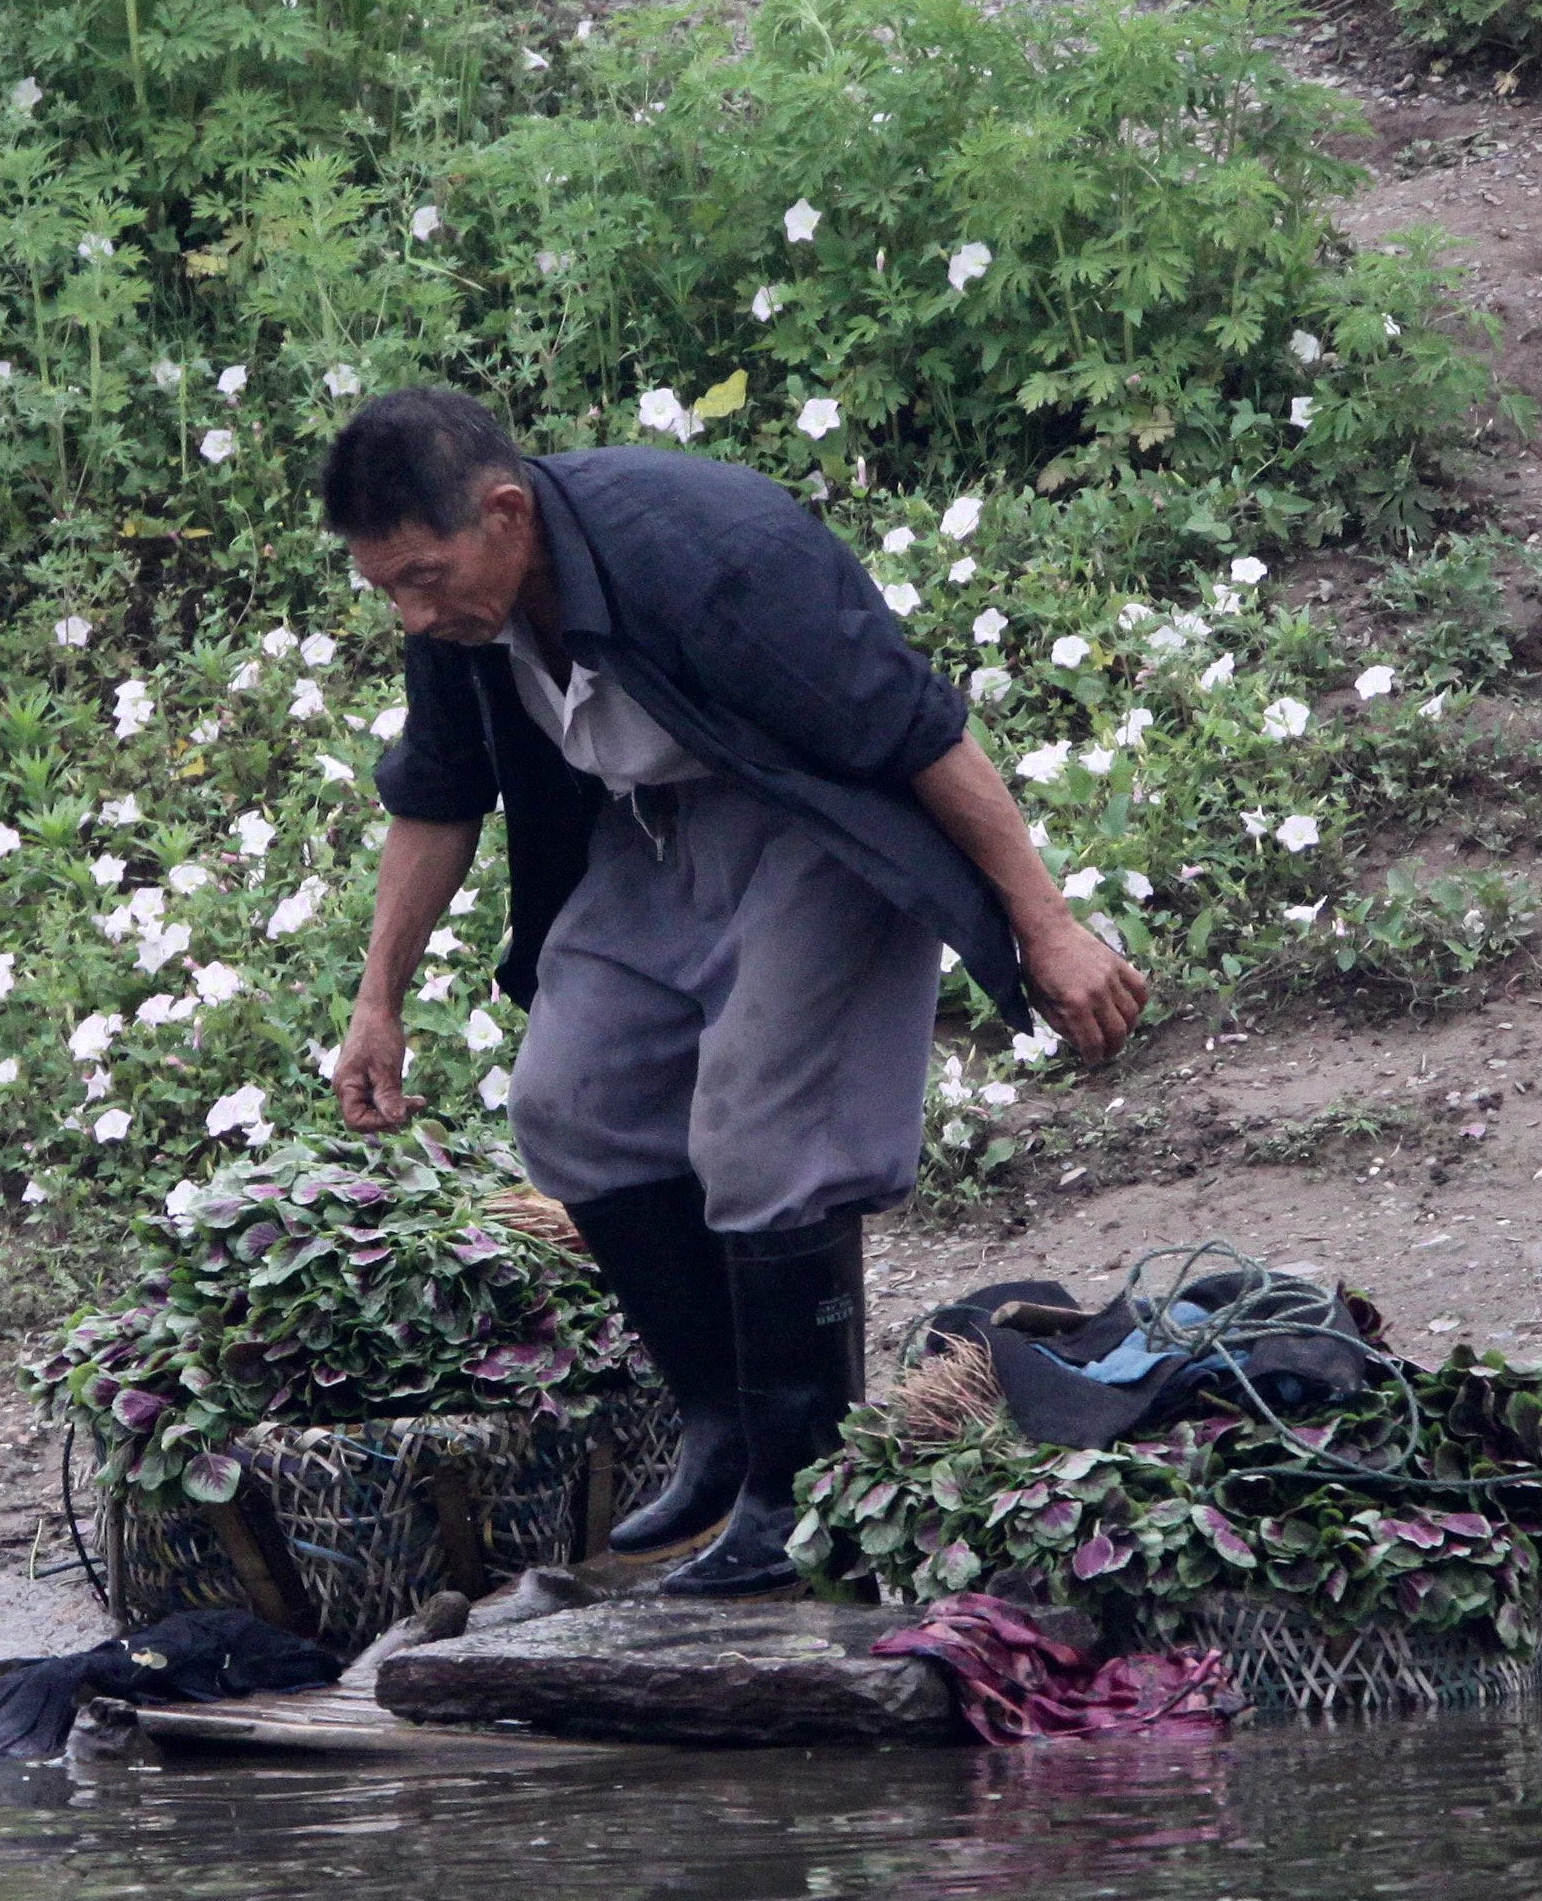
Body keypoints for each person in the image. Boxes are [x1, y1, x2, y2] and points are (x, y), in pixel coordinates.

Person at [324, 388, 1147, 1597]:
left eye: (423, 575)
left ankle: (805, 1491)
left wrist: (1049, 923)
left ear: (506, 511)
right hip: (652, 828)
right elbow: (439, 795)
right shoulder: (461, 618)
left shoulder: (714, 555)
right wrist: (376, 1002)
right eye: (386, 585)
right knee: (571, 1100)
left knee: (765, 1129)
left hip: (820, 821)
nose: (412, 608)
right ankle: (723, 1434)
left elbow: (919, 731)